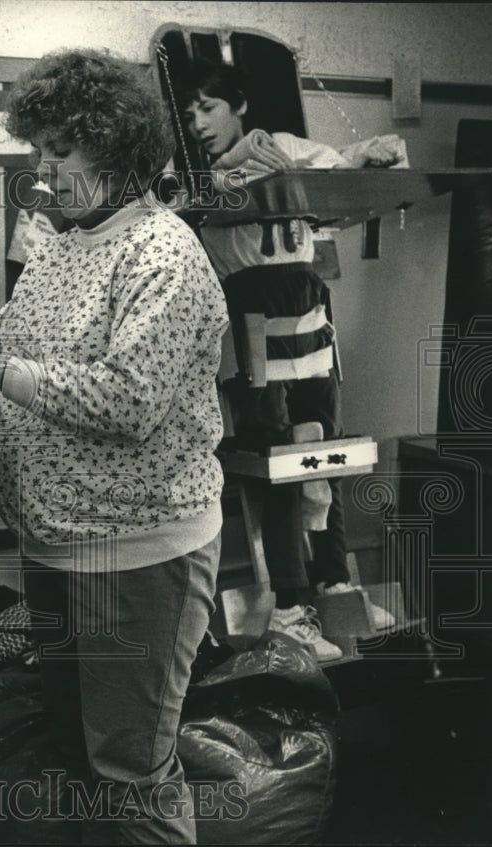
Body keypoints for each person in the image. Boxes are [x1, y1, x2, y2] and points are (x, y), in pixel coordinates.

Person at [0, 48, 228, 844]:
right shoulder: (59, 244)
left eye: (60, 151)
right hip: (54, 546)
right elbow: (16, 349)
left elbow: (128, 402)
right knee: (77, 756)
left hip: (138, 555)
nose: (43, 170)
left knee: (131, 769)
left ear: (118, 151)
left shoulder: (164, 252)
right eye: (39, 149)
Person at [179, 60, 395, 662]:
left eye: (210, 107)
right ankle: (294, 605)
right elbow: (179, 201)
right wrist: (234, 164)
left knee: (324, 455)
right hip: (251, 337)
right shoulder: (191, 175)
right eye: (191, 110)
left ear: (239, 103)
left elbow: (346, 172)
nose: (199, 122)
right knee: (278, 467)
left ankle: (334, 587)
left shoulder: (291, 150)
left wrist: (376, 154)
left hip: (312, 326)